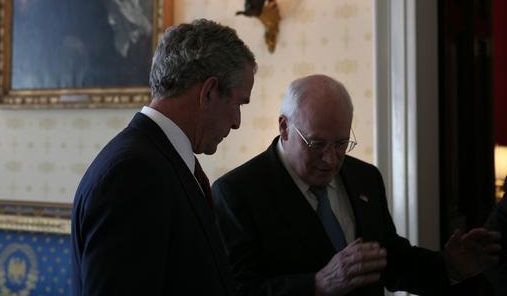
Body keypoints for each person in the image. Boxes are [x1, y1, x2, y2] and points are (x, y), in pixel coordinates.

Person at [212, 74, 500, 296]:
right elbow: (237, 289)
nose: (331, 159)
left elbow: (390, 260)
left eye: (341, 144)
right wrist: (317, 284)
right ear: (284, 127)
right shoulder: (237, 192)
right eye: (317, 144)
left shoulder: (365, 177)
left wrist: (450, 267)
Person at [71, 19, 257, 295]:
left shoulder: (158, 159)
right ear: (208, 92)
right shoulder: (133, 174)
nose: (237, 122)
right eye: (239, 103)